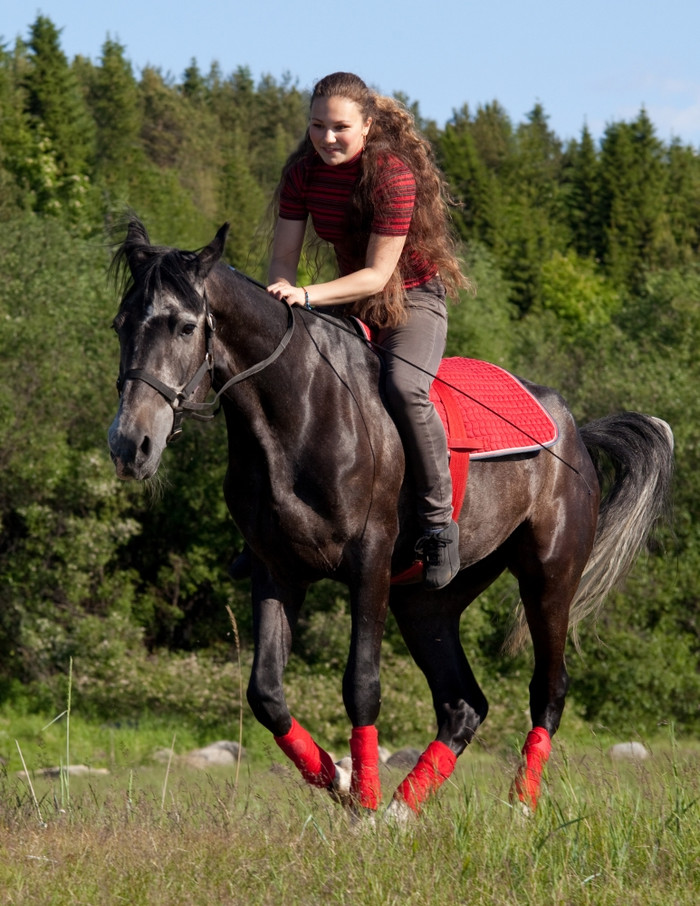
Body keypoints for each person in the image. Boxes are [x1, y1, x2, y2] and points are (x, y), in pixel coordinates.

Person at [265, 71, 471, 590]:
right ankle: (271, 525)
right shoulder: (301, 174)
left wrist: (306, 295)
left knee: (404, 388)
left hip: (411, 301)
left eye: (339, 127)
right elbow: (282, 259)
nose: (326, 138)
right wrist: (280, 296)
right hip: (344, 298)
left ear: (368, 124)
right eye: (316, 126)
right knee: (283, 378)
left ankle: (438, 525)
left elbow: (380, 276)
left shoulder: (391, 175)